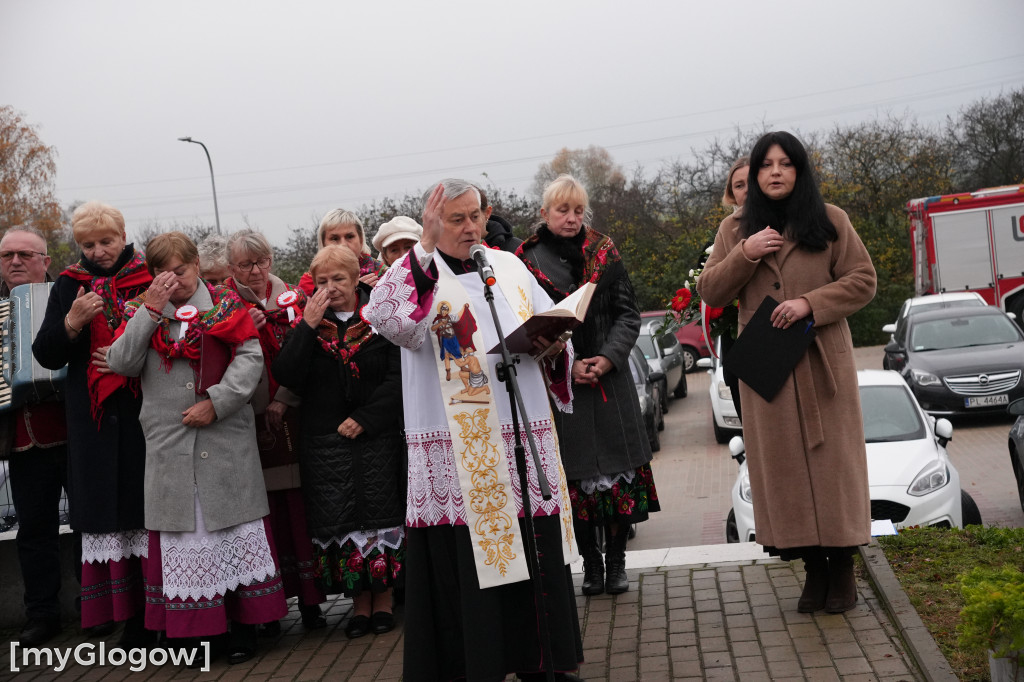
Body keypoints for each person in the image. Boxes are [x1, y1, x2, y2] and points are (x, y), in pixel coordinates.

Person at [363, 178, 583, 681]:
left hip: (521, 432)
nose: (469, 227)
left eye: (475, 216)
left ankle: (541, 664)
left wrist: (554, 345)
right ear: (433, 222)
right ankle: (478, 667)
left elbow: (547, 322)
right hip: (461, 447)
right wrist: (422, 246)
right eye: (455, 219)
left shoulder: (507, 266)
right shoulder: (417, 273)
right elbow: (388, 320)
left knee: (534, 550)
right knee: (470, 565)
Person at [697, 131, 876, 614]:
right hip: (767, 371)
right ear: (754, 174)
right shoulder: (734, 229)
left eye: (786, 163)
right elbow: (711, 291)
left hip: (823, 367)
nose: (775, 172)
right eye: (766, 165)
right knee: (785, 472)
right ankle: (812, 570)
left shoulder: (831, 219)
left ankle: (843, 569)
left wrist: (809, 303)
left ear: (799, 170)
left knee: (834, 469)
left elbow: (863, 280)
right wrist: (746, 252)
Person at [106, 232, 288, 663]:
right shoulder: (141, 311)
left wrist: (217, 403)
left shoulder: (226, 305)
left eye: (182, 271)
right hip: (170, 447)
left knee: (233, 532)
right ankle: (201, 632)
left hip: (225, 440)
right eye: (163, 274)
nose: (175, 280)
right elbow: (121, 362)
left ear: (196, 265)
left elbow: (250, 360)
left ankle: (244, 626)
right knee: (189, 536)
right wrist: (150, 310)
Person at [516, 174, 660, 597]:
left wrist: (608, 358)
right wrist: (569, 362)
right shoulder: (526, 259)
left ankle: (616, 563)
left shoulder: (604, 251)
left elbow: (628, 314)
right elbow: (526, 324)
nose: (572, 218)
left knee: (617, 483)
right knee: (575, 483)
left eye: (578, 210)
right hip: (561, 387)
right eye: (563, 210)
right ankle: (591, 565)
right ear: (545, 213)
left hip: (610, 383)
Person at [32, 203, 153, 647]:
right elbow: (46, 353)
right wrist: (72, 322)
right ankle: (122, 616)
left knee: (147, 514)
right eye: (88, 244)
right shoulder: (68, 284)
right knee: (108, 518)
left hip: (144, 413)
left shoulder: (150, 277)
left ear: (123, 235)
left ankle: (155, 616)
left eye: (106, 241)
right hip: (94, 422)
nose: (98, 251)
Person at [272, 245, 405, 640]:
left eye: (338, 279)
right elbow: (286, 374)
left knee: (381, 516)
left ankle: (384, 601)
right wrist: (306, 326)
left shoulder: (379, 317)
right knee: (342, 522)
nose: (330, 287)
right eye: (322, 281)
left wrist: (366, 419)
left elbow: (399, 377)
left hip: (377, 437)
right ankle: (358, 605)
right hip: (326, 443)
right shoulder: (309, 323)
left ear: (356, 278)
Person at [222, 229, 325, 633]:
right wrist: (238, 328)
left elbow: (309, 354)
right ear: (231, 268)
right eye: (245, 264)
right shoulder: (221, 304)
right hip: (245, 422)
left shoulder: (293, 299)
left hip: (293, 416)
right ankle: (270, 607)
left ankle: (313, 602)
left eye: (262, 261)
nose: (255, 271)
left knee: (299, 511)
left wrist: (285, 397)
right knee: (266, 519)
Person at [1, 227, 74, 647]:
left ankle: (96, 605)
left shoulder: (68, 296)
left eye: (25, 254)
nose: (15, 261)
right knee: (33, 531)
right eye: (7, 255)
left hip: (74, 430)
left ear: (45, 261)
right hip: (22, 438)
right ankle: (42, 615)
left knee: (88, 522)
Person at [718, 156, 750, 419]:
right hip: (739, 352)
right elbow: (707, 289)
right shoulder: (724, 234)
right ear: (732, 194)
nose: (746, 190)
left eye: (751, 182)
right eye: (739, 186)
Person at [298, 209, 385, 294]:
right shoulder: (309, 283)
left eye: (349, 237)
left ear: (361, 240)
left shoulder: (384, 275)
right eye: (335, 238)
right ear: (323, 243)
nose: (343, 244)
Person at [478, 187, 524, 253]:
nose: (468, 225)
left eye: (474, 217)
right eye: (462, 219)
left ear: (487, 213)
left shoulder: (517, 248)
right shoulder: (462, 252)